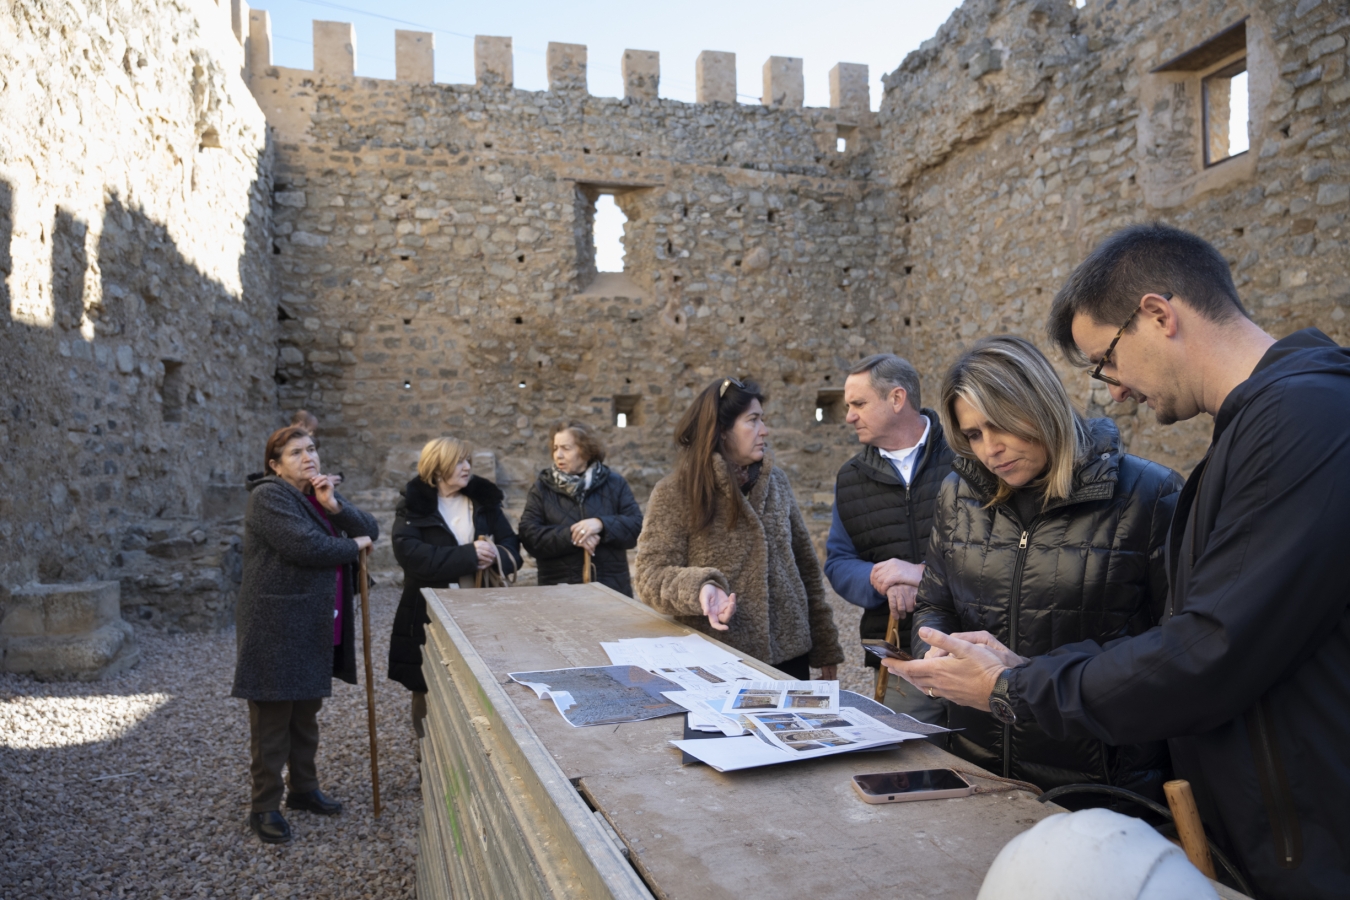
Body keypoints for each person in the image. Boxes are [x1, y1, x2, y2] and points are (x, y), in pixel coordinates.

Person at [883, 223, 1350, 898]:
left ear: (1159, 316)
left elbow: (1207, 650)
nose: (1115, 389)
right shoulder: (1260, 426)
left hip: (1305, 841)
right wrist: (1021, 670)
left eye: (1106, 360)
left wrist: (1017, 688)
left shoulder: (1304, 417)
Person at [910, 335, 1181, 798]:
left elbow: (1174, 649)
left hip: (1099, 783)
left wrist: (1025, 679)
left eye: (1001, 425)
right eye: (974, 434)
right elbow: (933, 604)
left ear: (1040, 404)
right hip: (977, 770)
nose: (990, 449)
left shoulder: (1148, 496)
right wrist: (934, 654)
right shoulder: (958, 495)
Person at [634, 377, 844, 680]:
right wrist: (702, 588)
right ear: (721, 431)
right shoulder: (676, 492)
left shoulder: (777, 483)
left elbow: (806, 569)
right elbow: (650, 576)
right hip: (717, 658)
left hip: (789, 656)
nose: (765, 430)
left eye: (763, 419)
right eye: (753, 420)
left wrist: (825, 646)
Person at [231, 425, 379, 844]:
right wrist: (354, 546)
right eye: (295, 452)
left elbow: (370, 528)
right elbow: (305, 546)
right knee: (273, 720)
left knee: (305, 715)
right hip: (276, 623)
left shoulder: (316, 494)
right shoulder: (269, 497)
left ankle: (303, 789)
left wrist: (334, 506)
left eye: (311, 449)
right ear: (275, 466)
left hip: (313, 619)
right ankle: (263, 807)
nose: (308, 457)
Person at [823, 354, 954, 723]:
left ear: (897, 399)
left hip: (972, 642)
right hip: (900, 657)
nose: (848, 416)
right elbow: (838, 561)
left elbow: (998, 552)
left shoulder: (966, 459)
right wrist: (883, 580)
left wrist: (919, 575)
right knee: (914, 762)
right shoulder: (850, 478)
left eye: (858, 404)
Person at [388, 437, 522, 747]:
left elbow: (512, 548)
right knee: (427, 689)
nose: (467, 467)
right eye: (459, 461)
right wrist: (469, 555)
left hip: (480, 613)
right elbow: (411, 556)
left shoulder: (484, 502)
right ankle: (429, 757)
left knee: (481, 687)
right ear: (438, 466)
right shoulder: (413, 504)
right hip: (427, 614)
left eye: (468, 461)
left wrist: (494, 554)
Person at [519, 421, 644, 596]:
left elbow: (637, 527)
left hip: (611, 591)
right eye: (555, 448)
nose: (558, 455)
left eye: (566, 448)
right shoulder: (542, 488)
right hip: (559, 592)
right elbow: (529, 535)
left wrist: (600, 524)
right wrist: (573, 535)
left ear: (585, 451)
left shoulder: (615, 484)